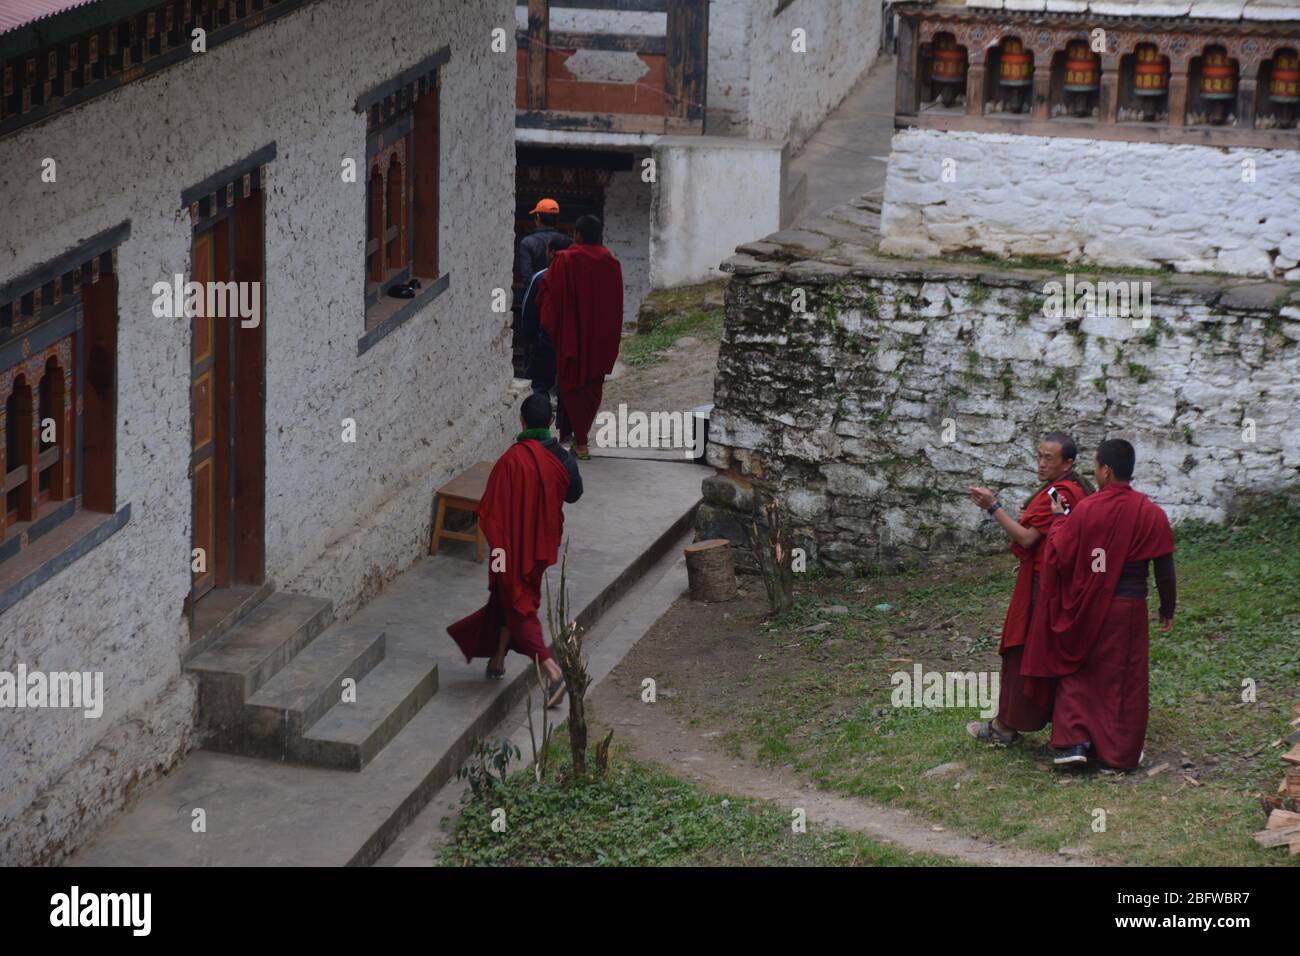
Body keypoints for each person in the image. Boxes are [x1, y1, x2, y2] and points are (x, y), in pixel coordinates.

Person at [1022, 438, 1175, 770]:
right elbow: (1164, 566)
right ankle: (1116, 756)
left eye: (1094, 466)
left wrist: (1060, 519)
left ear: (1105, 470)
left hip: (1089, 603)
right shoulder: (1151, 513)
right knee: (1123, 677)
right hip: (1130, 606)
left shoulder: (1088, 509)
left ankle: (1072, 741)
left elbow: (1060, 553)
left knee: (1078, 667)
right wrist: (1167, 607)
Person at [446, 394, 583, 708]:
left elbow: (489, 511)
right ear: (550, 423)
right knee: (508, 598)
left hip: (506, 551)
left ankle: (553, 672)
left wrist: (499, 548)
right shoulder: (561, 458)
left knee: (519, 605)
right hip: (538, 548)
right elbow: (574, 494)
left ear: (521, 422)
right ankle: (496, 660)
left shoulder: (511, 459)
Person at [965, 433, 1089, 746]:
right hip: (1050, 583)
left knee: (1024, 651)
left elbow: (1027, 539)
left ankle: (1005, 726)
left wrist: (992, 506)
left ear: (1068, 463)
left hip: (1043, 587)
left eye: (1050, 458)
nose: (1042, 464)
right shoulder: (1068, 489)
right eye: (1039, 456)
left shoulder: (1061, 493)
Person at [540, 214, 623, 461]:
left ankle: (581, 441)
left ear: (577, 234)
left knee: (572, 386)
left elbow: (549, 297)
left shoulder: (565, 260)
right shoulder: (612, 263)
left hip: (572, 341)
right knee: (591, 388)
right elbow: (615, 307)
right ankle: (581, 439)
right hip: (599, 341)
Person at [519, 234, 572, 397]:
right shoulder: (578, 277)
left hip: (545, 342)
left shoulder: (541, 277)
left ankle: (540, 416)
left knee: (539, 385)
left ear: (551, 252)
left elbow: (528, 313)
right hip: (571, 344)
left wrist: (530, 341)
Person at [517, 198, 565, 295]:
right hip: (561, 299)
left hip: (536, 298)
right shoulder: (568, 242)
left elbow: (527, 278)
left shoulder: (527, 242)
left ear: (538, 217)